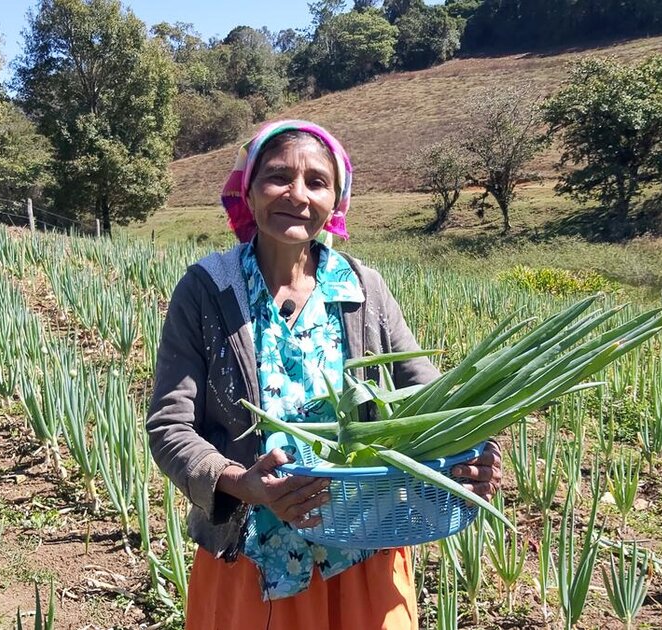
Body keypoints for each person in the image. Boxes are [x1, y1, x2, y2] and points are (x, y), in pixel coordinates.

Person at [146, 120, 502, 630]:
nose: (296, 194)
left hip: (367, 546)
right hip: (254, 558)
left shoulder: (363, 288)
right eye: (277, 177)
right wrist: (243, 483)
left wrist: (471, 452)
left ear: (338, 200)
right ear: (248, 188)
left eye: (316, 181)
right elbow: (170, 425)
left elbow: (428, 395)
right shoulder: (209, 290)